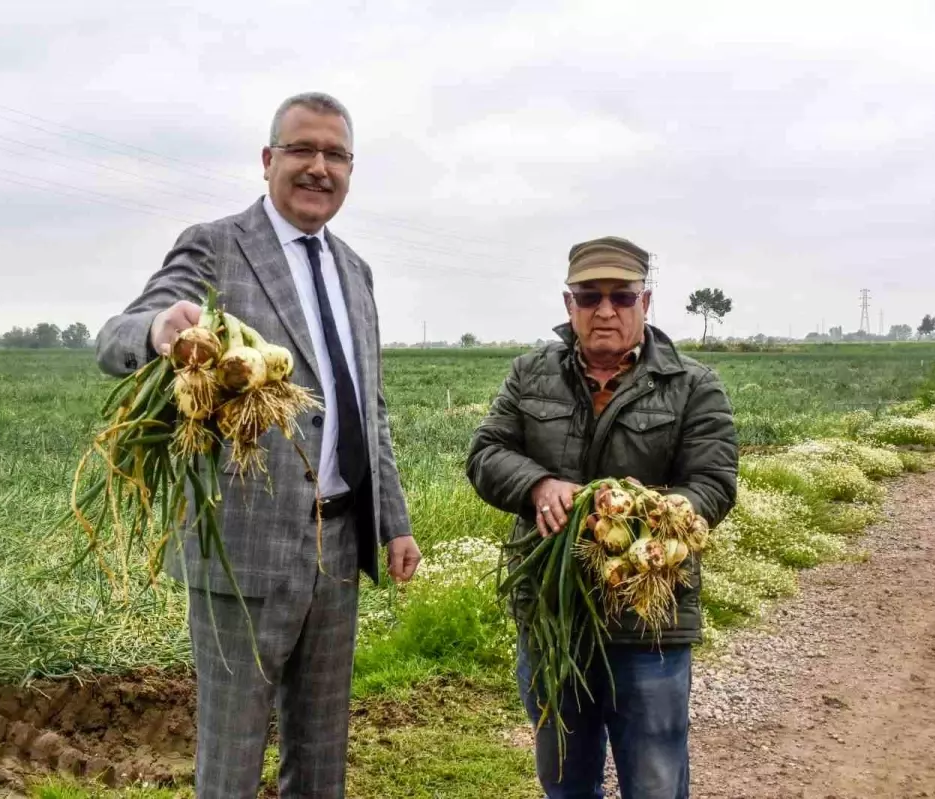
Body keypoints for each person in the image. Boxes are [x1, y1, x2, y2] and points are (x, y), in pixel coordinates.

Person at [95, 92, 421, 799]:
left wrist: (393, 523)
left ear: (351, 169)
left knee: (321, 747)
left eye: (335, 154)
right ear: (269, 160)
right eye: (302, 150)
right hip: (244, 548)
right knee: (234, 753)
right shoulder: (217, 245)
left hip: (337, 544)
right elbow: (118, 333)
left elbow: (370, 410)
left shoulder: (355, 272)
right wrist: (159, 333)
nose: (318, 167)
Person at [465, 237, 738, 799]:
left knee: (656, 780)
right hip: (553, 611)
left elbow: (713, 484)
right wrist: (538, 485)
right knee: (564, 778)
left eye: (622, 296)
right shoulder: (528, 374)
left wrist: (650, 515)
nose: (606, 311)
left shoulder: (693, 385)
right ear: (570, 305)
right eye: (590, 297)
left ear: (647, 301)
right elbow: (485, 454)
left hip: (649, 619)